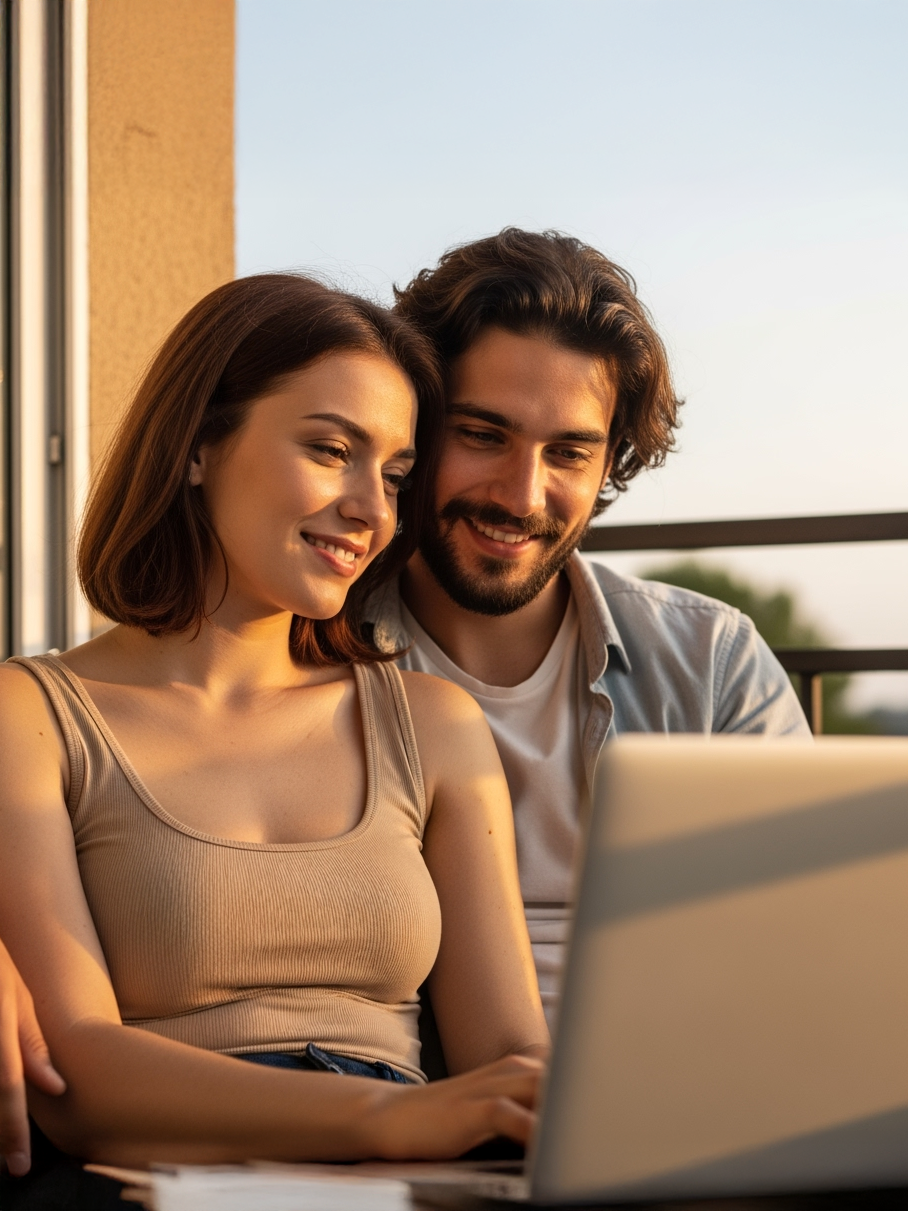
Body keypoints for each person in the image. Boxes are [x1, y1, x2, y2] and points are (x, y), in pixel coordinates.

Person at [0, 273, 548, 1188]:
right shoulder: (36, 716)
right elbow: (76, 1074)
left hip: (408, 1182)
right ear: (198, 447)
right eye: (333, 449)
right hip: (164, 1181)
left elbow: (510, 1057)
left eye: (397, 474)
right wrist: (390, 1117)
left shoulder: (432, 724)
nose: (373, 508)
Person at [373, 228, 812, 1028]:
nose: (522, 495)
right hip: (415, 1100)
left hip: (683, 1080)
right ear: (416, 424)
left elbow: (816, 928)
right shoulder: (305, 654)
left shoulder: (711, 664)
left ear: (610, 464)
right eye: (482, 434)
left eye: (568, 452)